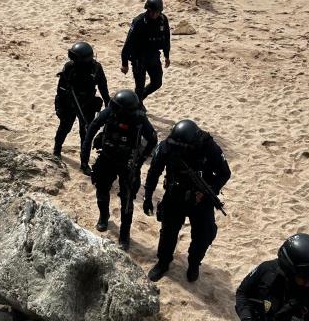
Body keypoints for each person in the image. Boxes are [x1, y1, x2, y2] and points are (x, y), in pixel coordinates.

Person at [142, 119, 230, 282]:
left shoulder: (209, 147)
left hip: (201, 200)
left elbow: (225, 173)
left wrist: (207, 190)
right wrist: (147, 196)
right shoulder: (168, 146)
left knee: (204, 235)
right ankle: (163, 262)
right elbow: (154, 172)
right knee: (168, 231)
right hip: (175, 194)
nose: (179, 150)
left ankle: (194, 263)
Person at [81, 90, 157, 250]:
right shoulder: (111, 110)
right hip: (107, 157)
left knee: (127, 199)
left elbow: (152, 139)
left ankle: (124, 234)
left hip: (128, 163)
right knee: (101, 187)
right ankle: (104, 216)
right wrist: (85, 154)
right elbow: (93, 126)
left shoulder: (139, 118)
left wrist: (140, 160)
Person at [54, 42, 110, 159]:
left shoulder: (96, 68)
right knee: (65, 127)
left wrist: (107, 104)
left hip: (87, 104)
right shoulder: (69, 67)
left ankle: (84, 162)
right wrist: (61, 107)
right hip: (69, 104)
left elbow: (103, 87)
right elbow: (61, 90)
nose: (73, 60)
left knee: (85, 134)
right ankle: (57, 150)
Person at [120, 0, 170, 102]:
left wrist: (167, 55)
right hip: (139, 57)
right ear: (147, 10)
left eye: (157, 12)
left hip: (153, 56)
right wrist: (124, 63)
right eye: (152, 12)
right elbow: (128, 42)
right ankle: (138, 104)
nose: (155, 14)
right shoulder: (139, 22)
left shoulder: (162, 20)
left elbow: (166, 37)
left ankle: (140, 98)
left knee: (157, 82)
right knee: (139, 86)